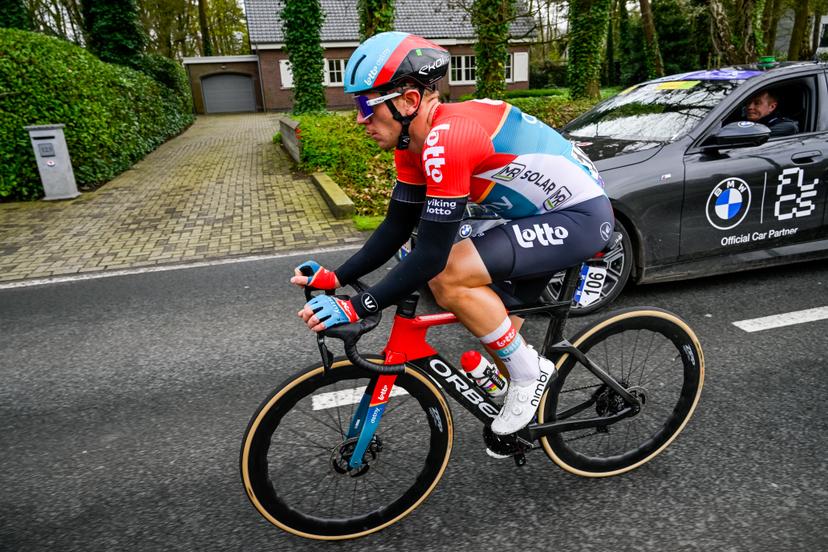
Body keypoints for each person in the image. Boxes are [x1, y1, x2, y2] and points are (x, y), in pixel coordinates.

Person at [290, 32, 614, 448]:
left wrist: (357, 306)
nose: (359, 119)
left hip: (578, 217)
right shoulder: (413, 142)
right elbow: (396, 226)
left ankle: (530, 375)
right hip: (526, 216)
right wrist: (337, 278)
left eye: (366, 105)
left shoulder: (448, 139)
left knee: (447, 276)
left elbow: (430, 257)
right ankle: (516, 388)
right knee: (488, 319)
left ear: (408, 101)